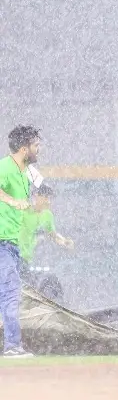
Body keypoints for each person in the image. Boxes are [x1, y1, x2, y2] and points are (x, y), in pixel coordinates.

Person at [0, 125, 41, 358]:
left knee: (4, 297)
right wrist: (12, 201)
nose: (39, 149)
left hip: (11, 245)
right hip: (1, 243)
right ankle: (13, 346)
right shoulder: (4, 167)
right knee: (11, 293)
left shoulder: (27, 172)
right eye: (36, 146)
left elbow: (39, 188)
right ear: (24, 149)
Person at [18, 184, 74, 302]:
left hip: (26, 259)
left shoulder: (47, 215)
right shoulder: (23, 210)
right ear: (36, 196)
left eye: (50, 199)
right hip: (13, 255)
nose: (49, 202)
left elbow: (52, 234)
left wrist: (64, 242)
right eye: (46, 198)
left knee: (27, 289)